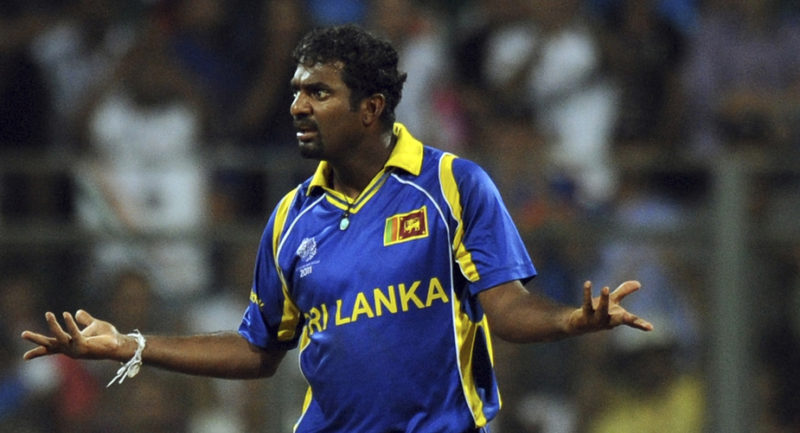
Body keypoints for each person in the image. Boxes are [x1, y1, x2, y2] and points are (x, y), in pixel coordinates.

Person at [21, 24, 653, 433]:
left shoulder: (452, 185)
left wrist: (572, 320)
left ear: (371, 107)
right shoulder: (291, 217)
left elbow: (507, 309)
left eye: (319, 93)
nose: (297, 106)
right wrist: (131, 343)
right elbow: (258, 349)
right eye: (297, 91)